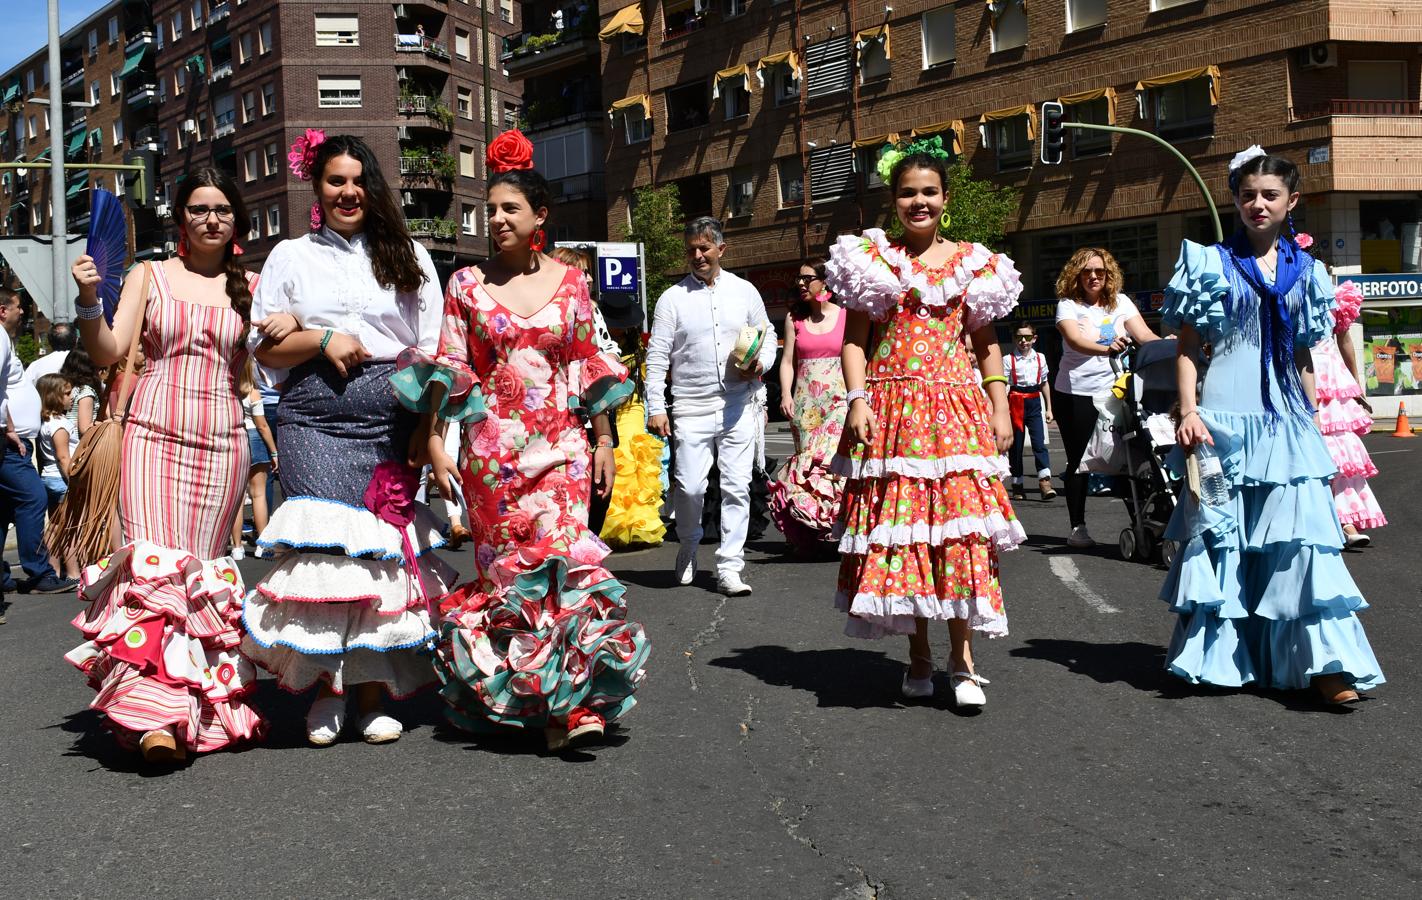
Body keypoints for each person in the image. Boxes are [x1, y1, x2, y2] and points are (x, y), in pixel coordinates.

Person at [392, 129, 649, 751]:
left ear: (540, 217)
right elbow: (450, 366)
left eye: (512, 208)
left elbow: (591, 364)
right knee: (510, 583)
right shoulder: (465, 287)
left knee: (567, 569)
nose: (499, 219)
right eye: (493, 209)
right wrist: (431, 444)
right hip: (493, 459)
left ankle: (575, 701)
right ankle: (524, 701)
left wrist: (608, 442)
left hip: (563, 447)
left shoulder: (573, 284)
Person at [243, 132, 453, 747]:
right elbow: (265, 350)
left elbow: (432, 350)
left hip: (388, 419)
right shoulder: (289, 256)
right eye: (336, 180)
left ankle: (369, 691)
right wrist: (321, 337)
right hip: (312, 418)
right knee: (326, 556)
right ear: (317, 187)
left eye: (358, 181)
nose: (348, 192)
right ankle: (328, 691)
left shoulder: (409, 253)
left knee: (377, 558)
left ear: (373, 187)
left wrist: (426, 427)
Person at [1162, 147, 1383, 705]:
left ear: (1292, 203)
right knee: (1224, 541)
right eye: (1247, 195)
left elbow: (1306, 355)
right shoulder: (1209, 262)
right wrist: (1188, 411)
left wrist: (1309, 418)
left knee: (1302, 544)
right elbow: (1189, 347)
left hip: (1286, 420)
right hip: (1223, 418)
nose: (1257, 204)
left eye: (1269, 195)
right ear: (1235, 200)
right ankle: (1223, 660)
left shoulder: (1308, 272)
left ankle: (1327, 666)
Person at [66, 167, 264, 762]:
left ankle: (195, 711)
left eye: (222, 210)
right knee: (156, 574)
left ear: (235, 221)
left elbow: (268, 360)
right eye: (199, 208)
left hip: (225, 442)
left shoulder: (250, 286)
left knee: (199, 577)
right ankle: (154, 718)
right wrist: (86, 298)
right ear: (181, 218)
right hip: (153, 436)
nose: (211, 218)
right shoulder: (148, 276)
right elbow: (106, 349)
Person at [826, 139, 1024, 708]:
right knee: (906, 537)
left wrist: (996, 403)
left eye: (929, 192)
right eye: (908, 193)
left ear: (945, 198)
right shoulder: (873, 262)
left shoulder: (976, 264)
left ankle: (962, 663)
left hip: (956, 414)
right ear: (894, 200)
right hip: (893, 415)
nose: (920, 202)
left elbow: (987, 346)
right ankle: (918, 655)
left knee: (958, 536)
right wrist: (857, 400)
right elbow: (854, 343)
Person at [646, 216, 777, 596]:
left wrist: (760, 363)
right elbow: (657, 357)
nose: (698, 255)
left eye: (705, 248)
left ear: (722, 249)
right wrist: (657, 405)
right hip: (690, 405)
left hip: (738, 404)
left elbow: (766, 339)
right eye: (692, 250)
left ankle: (729, 567)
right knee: (688, 487)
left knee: (737, 487)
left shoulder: (745, 292)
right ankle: (688, 543)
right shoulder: (672, 298)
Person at [1052, 248, 1161, 548]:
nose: (1093, 276)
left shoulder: (1121, 303)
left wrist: (1169, 346)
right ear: (1077, 275)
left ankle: (1139, 522)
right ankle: (1078, 528)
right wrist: (1107, 349)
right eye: (1087, 271)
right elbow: (1075, 340)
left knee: (1124, 457)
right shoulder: (1068, 306)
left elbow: (1145, 336)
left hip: (1113, 390)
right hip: (1075, 393)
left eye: (1099, 271)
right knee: (1080, 461)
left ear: (1108, 274)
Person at [768, 258, 847, 553]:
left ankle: (837, 527)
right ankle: (810, 530)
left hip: (839, 401)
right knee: (809, 463)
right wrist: (786, 395)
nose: (800, 284)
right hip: (806, 405)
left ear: (824, 281)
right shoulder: (793, 318)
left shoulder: (845, 316)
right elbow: (787, 361)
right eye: (797, 281)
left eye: (807, 278)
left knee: (833, 464)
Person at [0, 287, 74, 596]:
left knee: (4, 510)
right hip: (9, 444)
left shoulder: (6, 340)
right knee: (33, 499)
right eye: (18, 307)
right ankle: (39, 572)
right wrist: (6, 428)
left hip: (11, 440)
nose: (22, 312)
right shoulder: (0, 337)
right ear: (3, 310)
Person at [550, 246, 622, 535]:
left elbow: (605, 350)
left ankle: (586, 550)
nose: (590, 279)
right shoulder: (554, 312)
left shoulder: (591, 309)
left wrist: (608, 361)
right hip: (566, 412)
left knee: (599, 492)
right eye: (583, 271)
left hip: (597, 410)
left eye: (589, 272)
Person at [1312, 279, 1385, 547]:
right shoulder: (1283, 291)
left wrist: (1355, 386)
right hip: (1299, 375)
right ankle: (1320, 522)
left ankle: (1347, 523)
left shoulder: (1335, 297)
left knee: (1341, 457)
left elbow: (1344, 340)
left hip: (1331, 383)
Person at [229, 357, 278, 560]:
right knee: (258, 494)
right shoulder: (253, 393)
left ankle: (236, 546)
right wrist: (274, 451)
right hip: (256, 440)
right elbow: (262, 425)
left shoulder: (229, 393)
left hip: (237, 440)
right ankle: (262, 544)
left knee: (237, 498)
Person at [1005, 323, 1056, 502]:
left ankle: (1044, 482)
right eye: (1019, 337)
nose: (1023, 341)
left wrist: (1049, 408)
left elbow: (1044, 383)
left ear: (1034, 338)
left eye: (1027, 337)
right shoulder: (1008, 359)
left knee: (1039, 443)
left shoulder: (1040, 358)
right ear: (1014, 339)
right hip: (1015, 401)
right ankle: (1017, 483)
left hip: (1034, 401)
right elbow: (1004, 386)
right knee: (1016, 446)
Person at [58, 344, 103, 438]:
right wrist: (106, 425)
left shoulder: (69, 388)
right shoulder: (86, 392)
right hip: (78, 446)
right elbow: (85, 428)